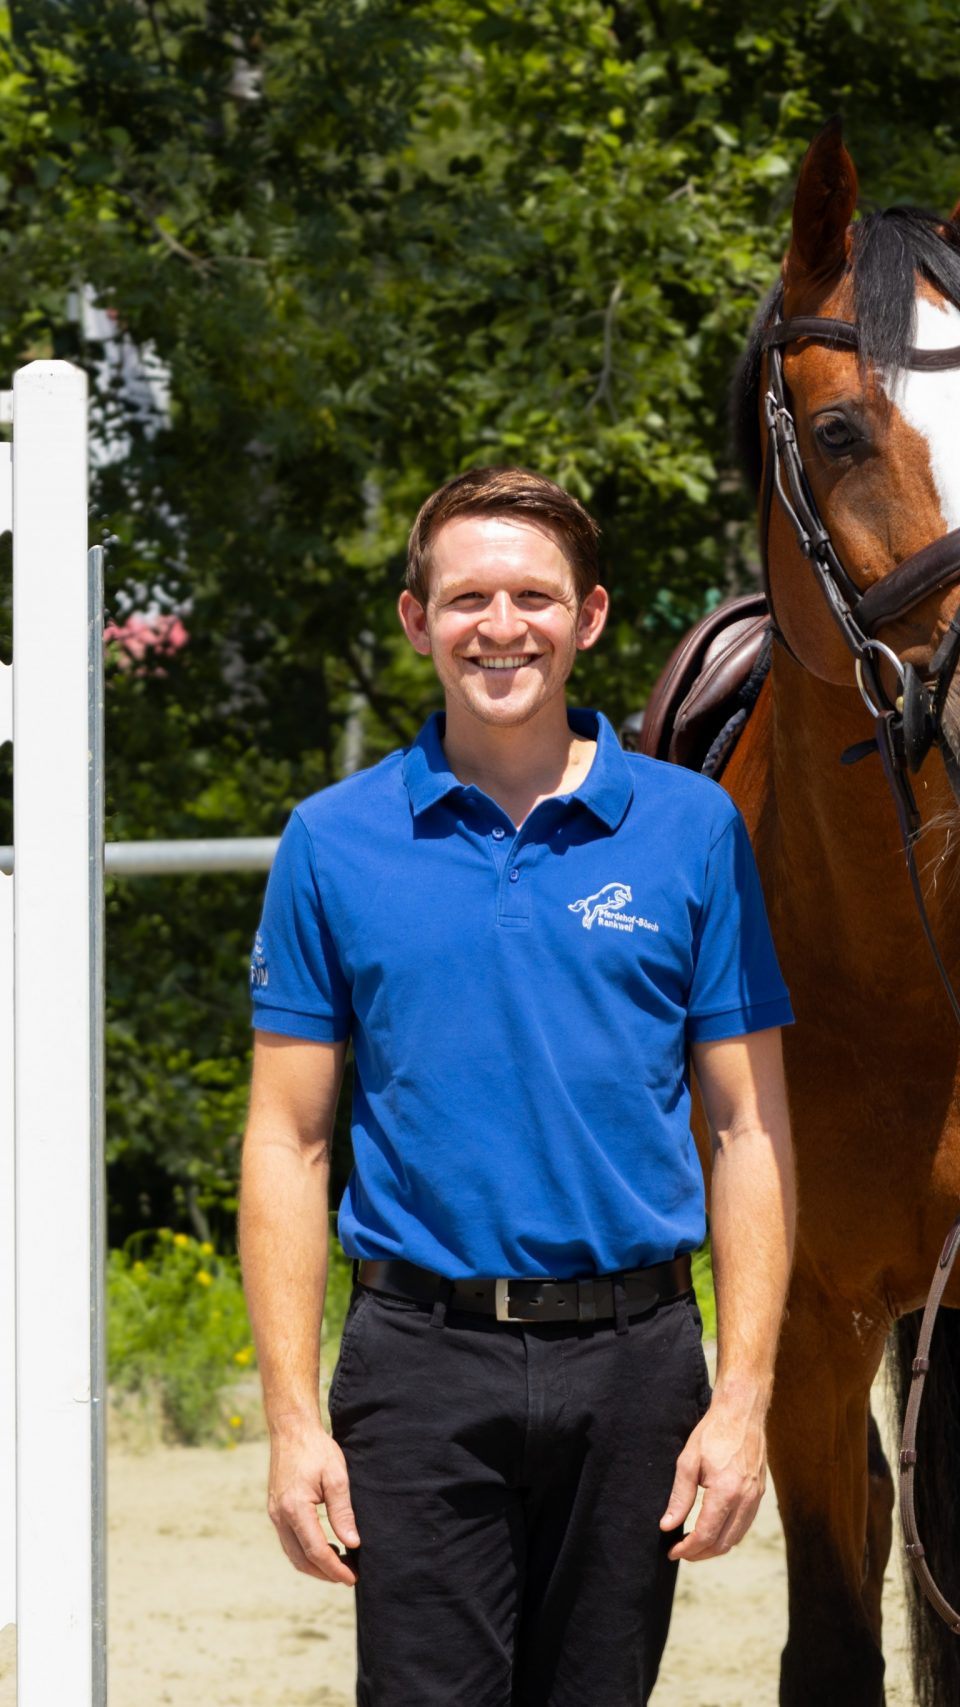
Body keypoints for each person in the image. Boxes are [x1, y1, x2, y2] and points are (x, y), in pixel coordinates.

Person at [239, 466, 796, 1707]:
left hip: (641, 1365)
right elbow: (286, 1142)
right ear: (416, 619)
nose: (501, 626)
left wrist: (742, 1399)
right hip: (418, 1366)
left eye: (533, 596)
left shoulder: (692, 829)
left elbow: (751, 1125)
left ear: (589, 617)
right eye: (468, 597)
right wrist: (291, 1425)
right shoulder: (332, 839)